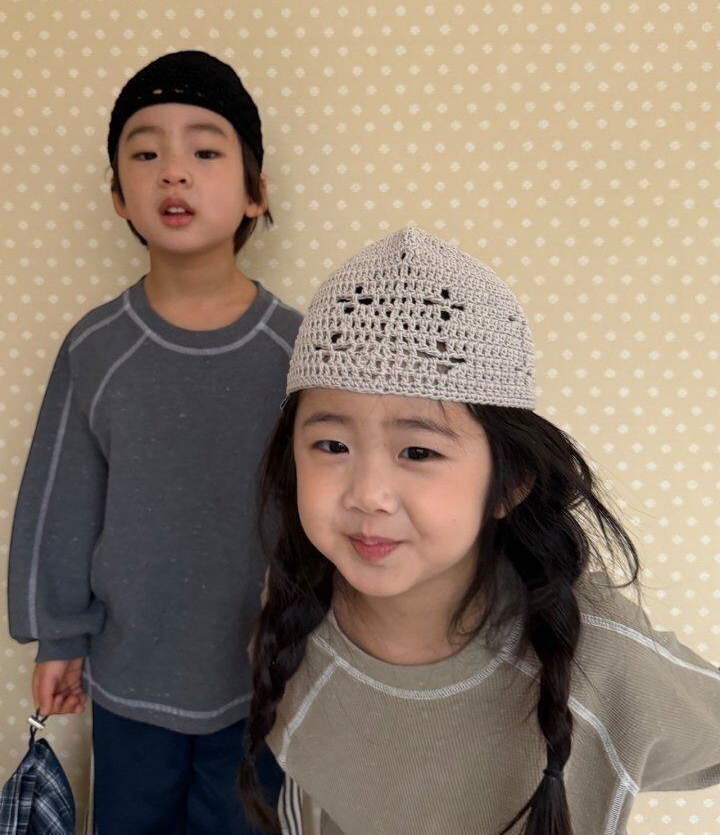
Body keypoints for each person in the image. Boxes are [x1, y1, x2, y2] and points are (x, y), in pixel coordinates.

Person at [239, 226, 720, 835]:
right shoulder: (292, 607)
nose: (367, 495)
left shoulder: (601, 657)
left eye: (418, 452)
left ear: (510, 482)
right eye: (332, 445)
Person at [8, 50, 301, 834]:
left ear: (255, 191)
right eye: (144, 154)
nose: (174, 171)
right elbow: (62, 499)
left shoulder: (300, 352)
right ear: (118, 196)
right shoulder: (96, 347)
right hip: (129, 681)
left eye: (205, 150)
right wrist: (58, 636)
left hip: (264, 685)